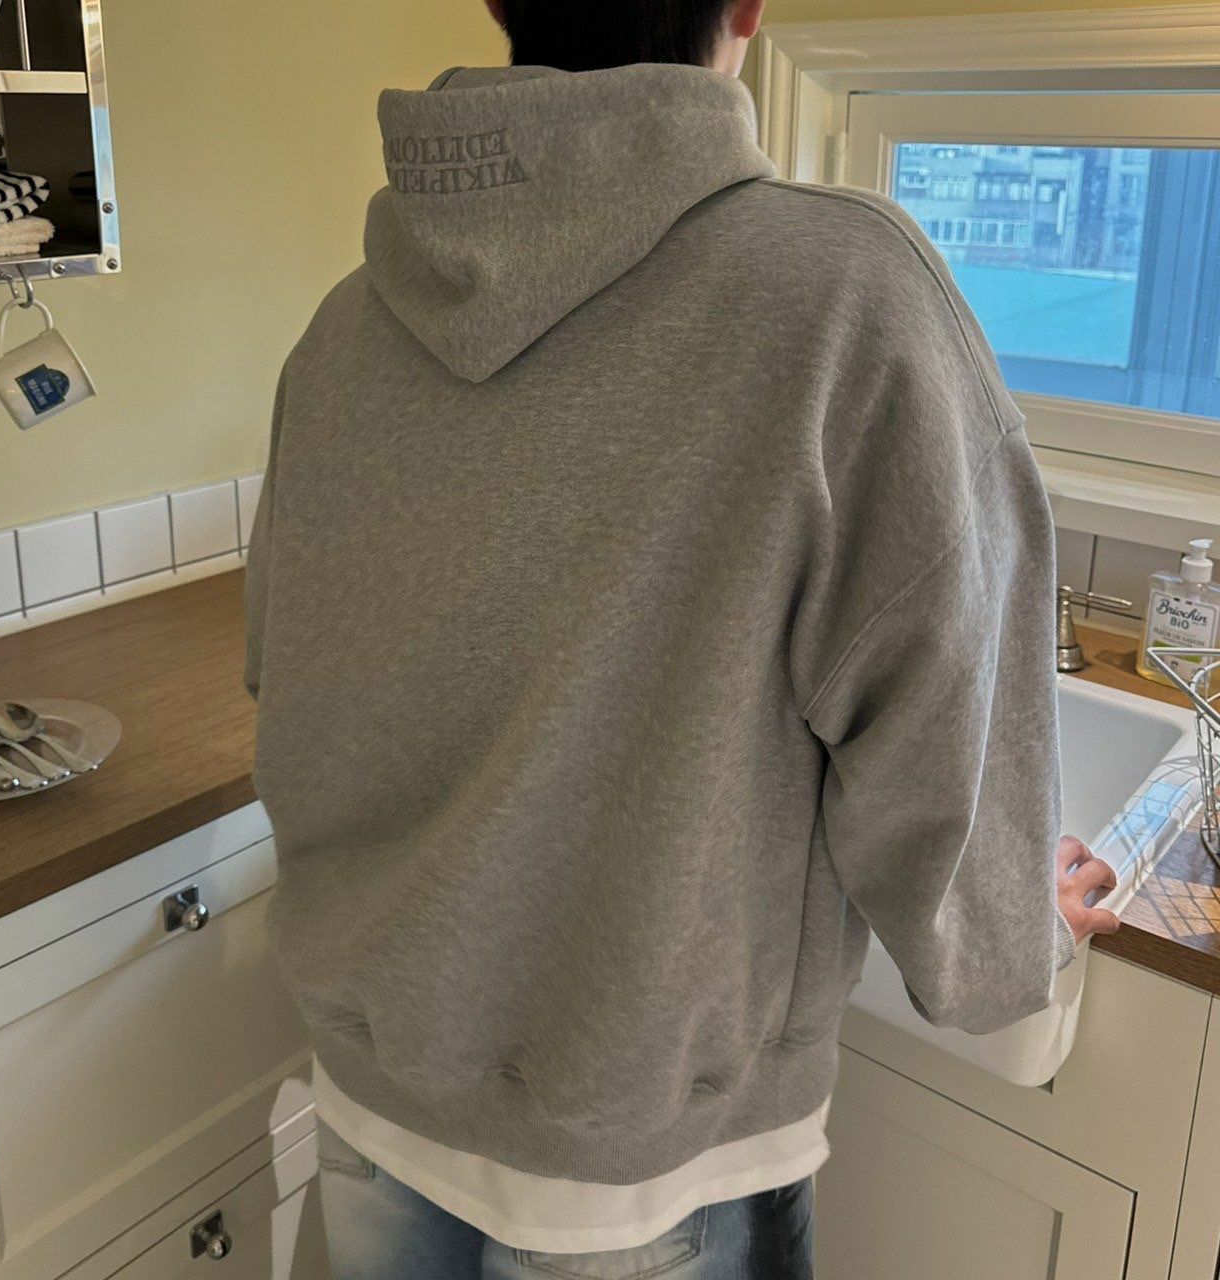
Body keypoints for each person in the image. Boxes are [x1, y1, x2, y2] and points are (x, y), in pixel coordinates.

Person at [241, 0, 1122, 1275]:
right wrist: (1007, 945)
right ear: (748, 6)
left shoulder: (338, 333)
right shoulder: (842, 293)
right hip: (644, 1167)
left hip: (373, 1097)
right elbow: (942, 720)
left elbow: (284, 673)